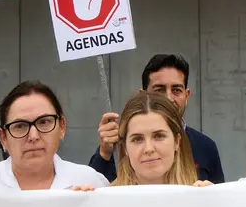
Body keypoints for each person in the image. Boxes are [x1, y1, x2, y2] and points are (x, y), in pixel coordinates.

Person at [0, 81, 109, 205]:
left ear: (62, 127)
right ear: (3, 138)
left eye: (44, 122)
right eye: (20, 126)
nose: (33, 136)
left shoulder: (91, 181)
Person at [88, 54, 224, 184]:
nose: (169, 98)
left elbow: (219, 200)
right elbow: (101, 193)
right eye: (137, 139)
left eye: (176, 90)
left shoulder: (206, 146)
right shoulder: (114, 144)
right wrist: (104, 154)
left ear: (177, 141)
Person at [73, 91, 211, 189]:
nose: (149, 148)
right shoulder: (104, 201)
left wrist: (215, 206)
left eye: (159, 136)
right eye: (137, 139)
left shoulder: (201, 197)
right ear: (125, 148)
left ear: (177, 142)